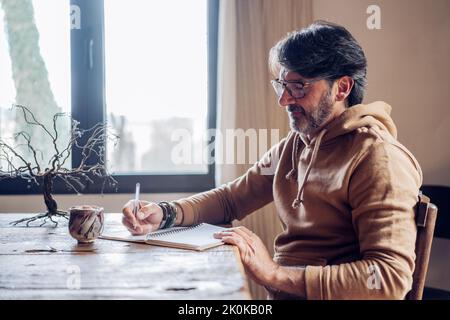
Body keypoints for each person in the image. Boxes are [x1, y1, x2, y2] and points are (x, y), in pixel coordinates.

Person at [122, 21, 422, 300]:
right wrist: (166, 214)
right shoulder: (297, 143)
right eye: (281, 85)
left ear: (342, 88)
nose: (284, 100)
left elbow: (388, 279)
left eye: (299, 86)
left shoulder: (378, 159)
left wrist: (274, 273)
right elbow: (231, 200)